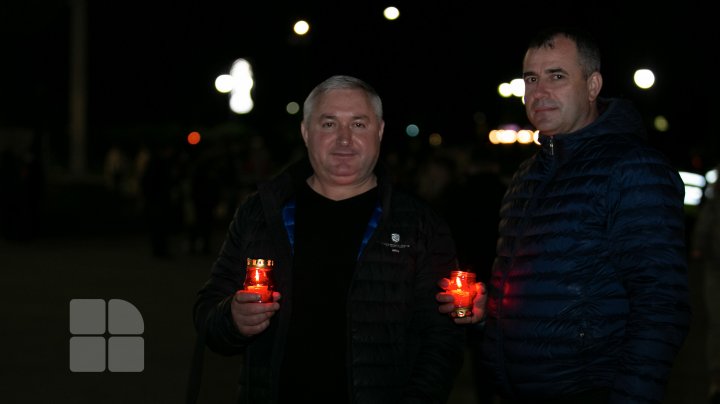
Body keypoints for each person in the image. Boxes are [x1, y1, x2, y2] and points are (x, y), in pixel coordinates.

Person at [437, 27, 691, 403]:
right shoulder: (526, 176)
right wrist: (492, 308)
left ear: (592, 85)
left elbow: (661, 306)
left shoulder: (632, 168)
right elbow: (552, 289)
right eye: (531, 79)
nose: (539, 92)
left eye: (557, 76)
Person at [192, 75, 465, 404]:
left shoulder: (419, 225)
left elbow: (443, 339)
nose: (344, 140)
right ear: (306, 133)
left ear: (379, 131)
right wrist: (232, 319)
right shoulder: (262, 213)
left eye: (359, 125)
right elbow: (208, 313)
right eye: (329, 124)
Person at [691, 169, 720, 404]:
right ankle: (716, 379)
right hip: (715, 265)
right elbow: (708, 217)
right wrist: (699, 244)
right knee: (717, 322)